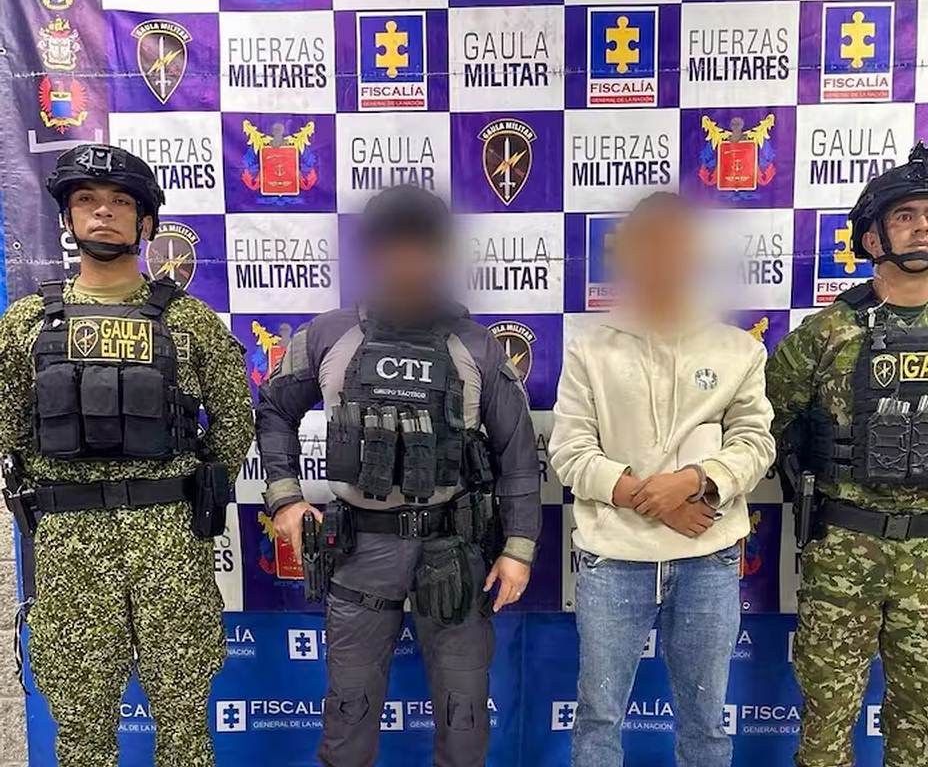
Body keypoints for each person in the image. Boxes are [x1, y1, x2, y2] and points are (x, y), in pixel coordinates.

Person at [255, 185, 541, 767]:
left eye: (422, 247)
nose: (408, 260)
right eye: (394, 246)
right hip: (360, 547)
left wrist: (518, 548)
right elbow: (274, 409)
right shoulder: (329, 334)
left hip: (454, 549)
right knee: (349, 708)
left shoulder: (477, 345)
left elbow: (517, 454)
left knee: (464, 711)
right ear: (372, 253)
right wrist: (284, 498)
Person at [0, 144, 254, 767]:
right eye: (86, 200)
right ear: (67, 218)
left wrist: (181, 485)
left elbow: (234, 423)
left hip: (169, 543)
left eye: (120, 202)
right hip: (69, 547)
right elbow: (10, 427)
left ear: (146, 223)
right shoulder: (26, 323)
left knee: (184, 728)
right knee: (81, 733)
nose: (103, 212)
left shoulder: (190, 322)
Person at [766, 142, 928, 767]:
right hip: (844, 553)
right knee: (825, 727)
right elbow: (772, 425)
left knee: (925, 728)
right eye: (904, 215)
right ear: (873, 238)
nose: (922, 225)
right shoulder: (825, 336)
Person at [549, 191, 775, 767]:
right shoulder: (590, 348)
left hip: (708, 559)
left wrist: (698, 479)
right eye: (648, 245)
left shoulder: (736, 350)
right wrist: (654, 498)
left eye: (674, 245)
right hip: (613, 559)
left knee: (706, 725)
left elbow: (756, 444)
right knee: (598, 718)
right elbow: (570, 452)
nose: (661, 258)